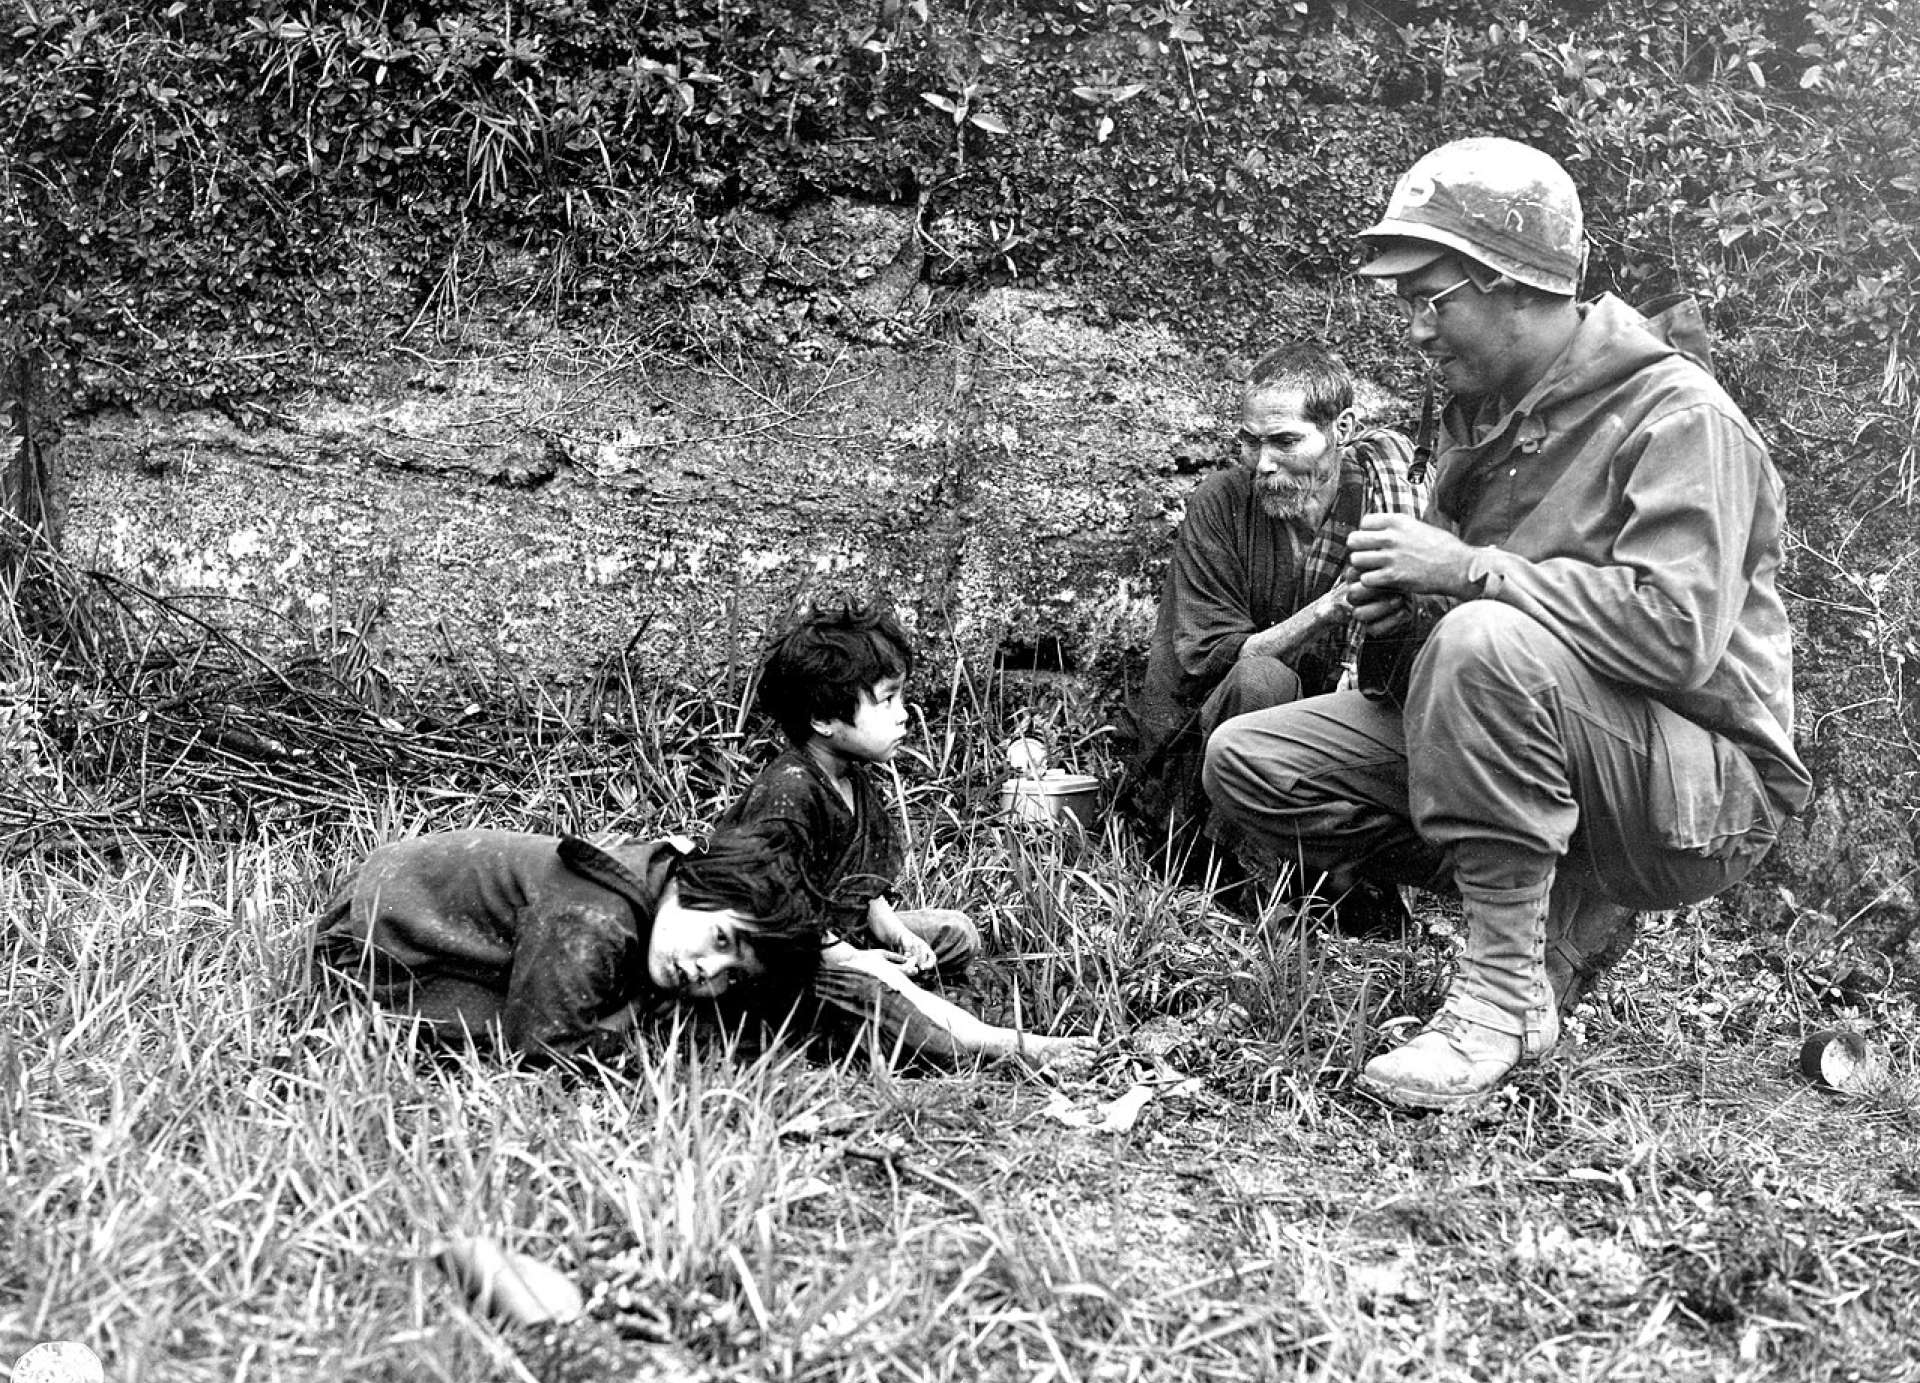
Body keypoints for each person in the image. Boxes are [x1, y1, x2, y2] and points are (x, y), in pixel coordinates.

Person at [1202, 136, 1811, 1110]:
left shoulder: (1680, 418)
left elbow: (1675, 635)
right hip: (1559, 740)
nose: (1416, 332)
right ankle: (1544, 921)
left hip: (1703, 791)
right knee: (1253, 759)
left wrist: (1468, 572)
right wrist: (1405, 607)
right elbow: (1458, 656)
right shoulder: (1483, 417)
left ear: (1514, 285)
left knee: (1484, 639)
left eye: (1430, 301)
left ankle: (1496, 1001)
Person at [720, 597, 1098, 1068]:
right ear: (823, 718)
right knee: (876, 989)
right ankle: (995, 1043)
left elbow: (861, 891)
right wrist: (854, 959)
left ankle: (912, 1006)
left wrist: (898, 936)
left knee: (955, 934)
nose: (903, 714)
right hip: (786, 963)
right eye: (886, 700)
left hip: (840, 936)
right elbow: (769, 913)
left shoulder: (851, 778)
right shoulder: (790, 793)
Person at [1126, 343, 1426, 924]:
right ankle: (1239, 882)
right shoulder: (1223, 503)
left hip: (1331, 747)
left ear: (1341, 430)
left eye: (1285, 442)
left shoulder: (1387, 500)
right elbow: (1205, 657)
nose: (1263, 463)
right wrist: (1327, 610)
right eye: (1250, 441)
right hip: (1221, 744)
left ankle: (1340, 878)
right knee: (1262, 679)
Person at [310, 827, 821, 1065]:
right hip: (373, 938)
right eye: (721, 939)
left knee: (581, 999)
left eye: (732, 975)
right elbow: (543, 1048)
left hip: (416, 907)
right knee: (506, 1031)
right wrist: (634, 1030)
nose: (707, 970)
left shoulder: (657, 880)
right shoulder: (598, 918)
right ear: (692, 883)